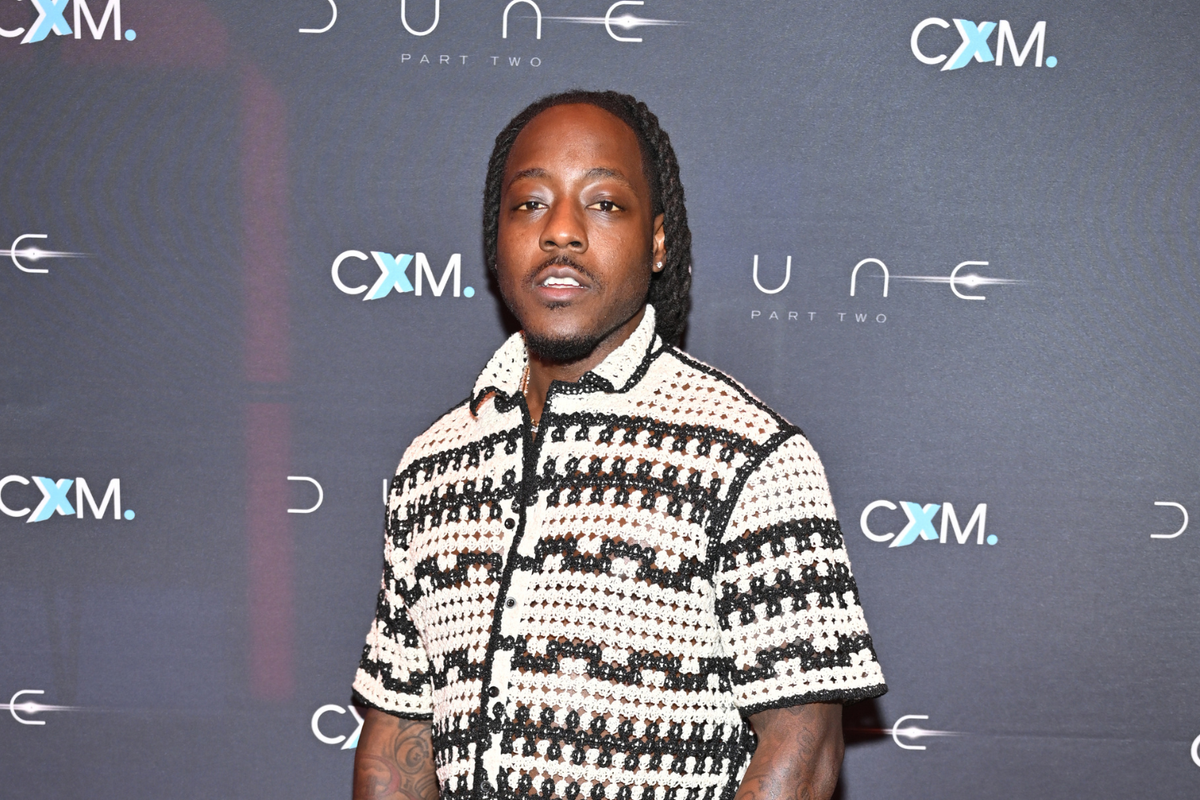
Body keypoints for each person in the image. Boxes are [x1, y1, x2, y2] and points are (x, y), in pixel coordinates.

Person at [350, 90, 886, 800]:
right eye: (530, 203)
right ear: (495, 240)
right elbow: (399, 734)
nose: (561, 232)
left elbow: (802, 748)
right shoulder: (432, 463)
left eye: (604, 204)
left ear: (658, 242)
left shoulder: (751, 456)